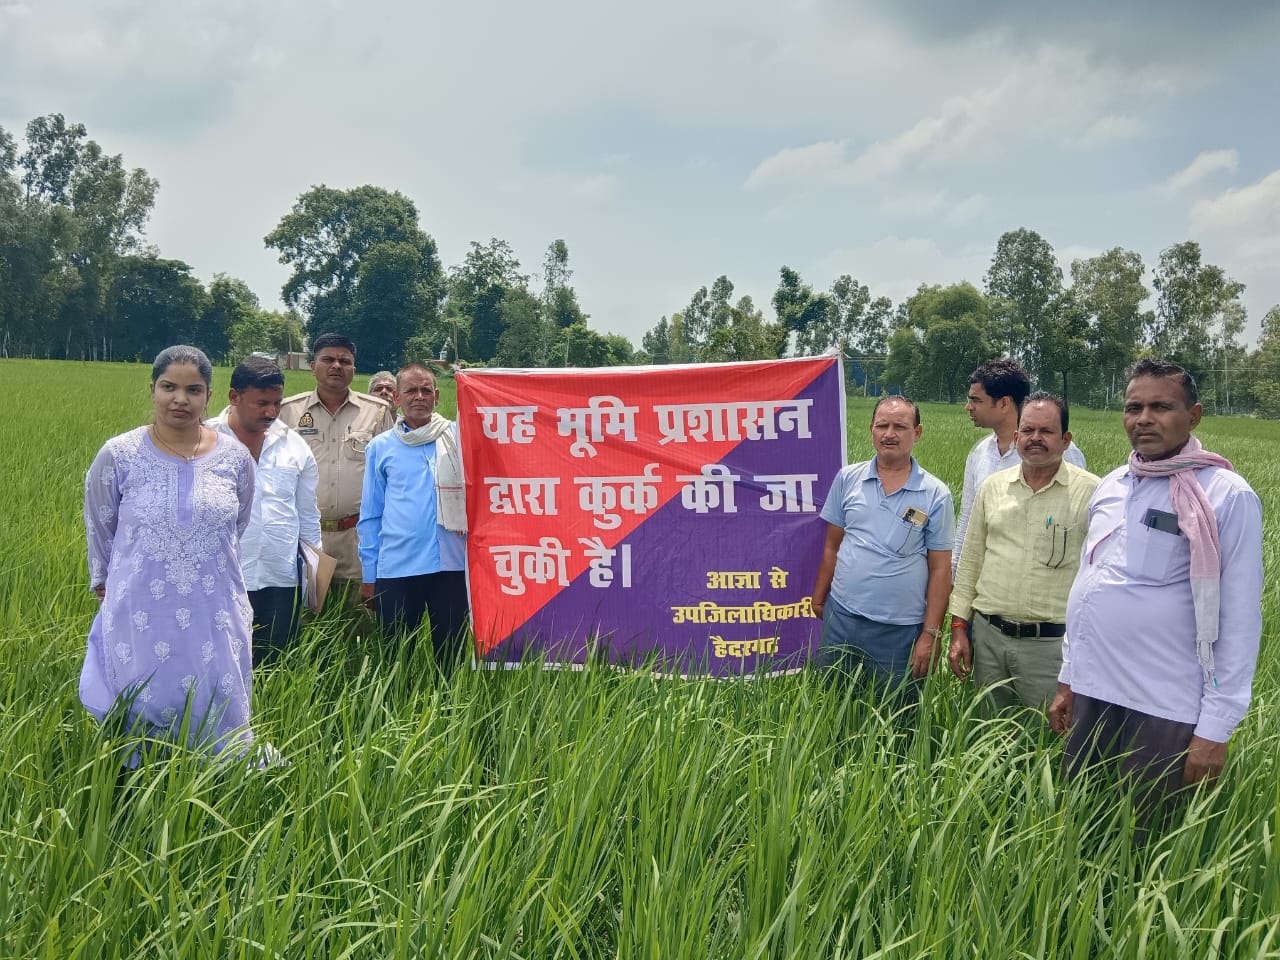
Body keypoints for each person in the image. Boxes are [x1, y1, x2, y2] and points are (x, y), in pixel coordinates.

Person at [1048, 359, 1263, 830]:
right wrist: (1068, 678)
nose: (1143, 418)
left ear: (1194, 415)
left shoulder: (1225, 496)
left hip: (1164, 705)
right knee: (1077, 824)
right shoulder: (1112, 485)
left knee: (1141, 843)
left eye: (1161, 406)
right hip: (1093, 693)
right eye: (1133, 407)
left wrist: (1214, 730)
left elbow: (1240, 621)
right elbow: (1088, 588)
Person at [81, 345, 261, 759]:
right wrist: (104, 583)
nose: (180, 399)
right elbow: (100, 526)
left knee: (214, 695)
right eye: (169, 387)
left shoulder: (235, 459)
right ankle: (136, 783)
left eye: (193, 389)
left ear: (208, 397)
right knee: (142, 694)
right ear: (152, 390)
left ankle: (216, 781)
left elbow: (237, 526)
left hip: (213, 606)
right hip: (141, 606)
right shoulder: (119, 455)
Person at [948, 392, 1099, 710]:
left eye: (1046, 431)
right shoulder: (993, 487)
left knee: (1046, 742)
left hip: (1051, 647)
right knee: (988, 736)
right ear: (1016, 436)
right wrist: (959, 626)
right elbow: (972, 558)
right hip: (989, 639)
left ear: (1066, 440)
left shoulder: (1092, 494)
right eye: (1028, 431)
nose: (1036, 439)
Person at [811, 396, 953, 691]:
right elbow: (832, 546)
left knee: (897, 717)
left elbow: (940, 570)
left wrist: (931, 634)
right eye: (882, 425)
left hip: (900, 629)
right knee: (832, 704)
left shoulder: (935, 493)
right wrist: (820, 598)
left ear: (917, 432)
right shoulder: (848, 478)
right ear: (871, 429)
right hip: (842, 617)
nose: (890, 434)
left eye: (900, 426)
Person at [209, 357, 322, 665]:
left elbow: (308, 514)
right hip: (222, 579)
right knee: (221, 664)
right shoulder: (204, 442)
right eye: (262, 403)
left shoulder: (294, 446)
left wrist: (314, 577)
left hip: (281, 578)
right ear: (234, 397)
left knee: (275, 664)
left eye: (277, 403)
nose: (272, 412)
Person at [359, 364, 469, 666]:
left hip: (451, 564)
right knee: (395, 657)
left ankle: (451, 710)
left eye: (425, 390)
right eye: (410, 390)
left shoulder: (460, 439)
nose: (418, 397)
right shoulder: (380, 447)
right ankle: (395, 708)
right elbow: (371, 515)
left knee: (452, 656)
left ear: (437, 396)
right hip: (397, 567)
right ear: (397, 398)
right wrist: (370, 574)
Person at [278, 333, 394, 589]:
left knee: (358, 621)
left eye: (345, 361)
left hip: (357, 538)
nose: (336, 366)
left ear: (354, 368)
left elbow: (391, 476)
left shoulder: (376, 412)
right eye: (328, 359)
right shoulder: (288, 412)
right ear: (313, 367)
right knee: (308, 619)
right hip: (304, 537)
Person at [954, 358, 1087, 578]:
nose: (968, 407)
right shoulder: (980, 452)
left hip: (1043, 581)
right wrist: (956, 573)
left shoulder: (1061, 451)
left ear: (1004, 403)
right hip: (988, 583)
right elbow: (967, 521)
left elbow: (1078, 522)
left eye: (976, 400)